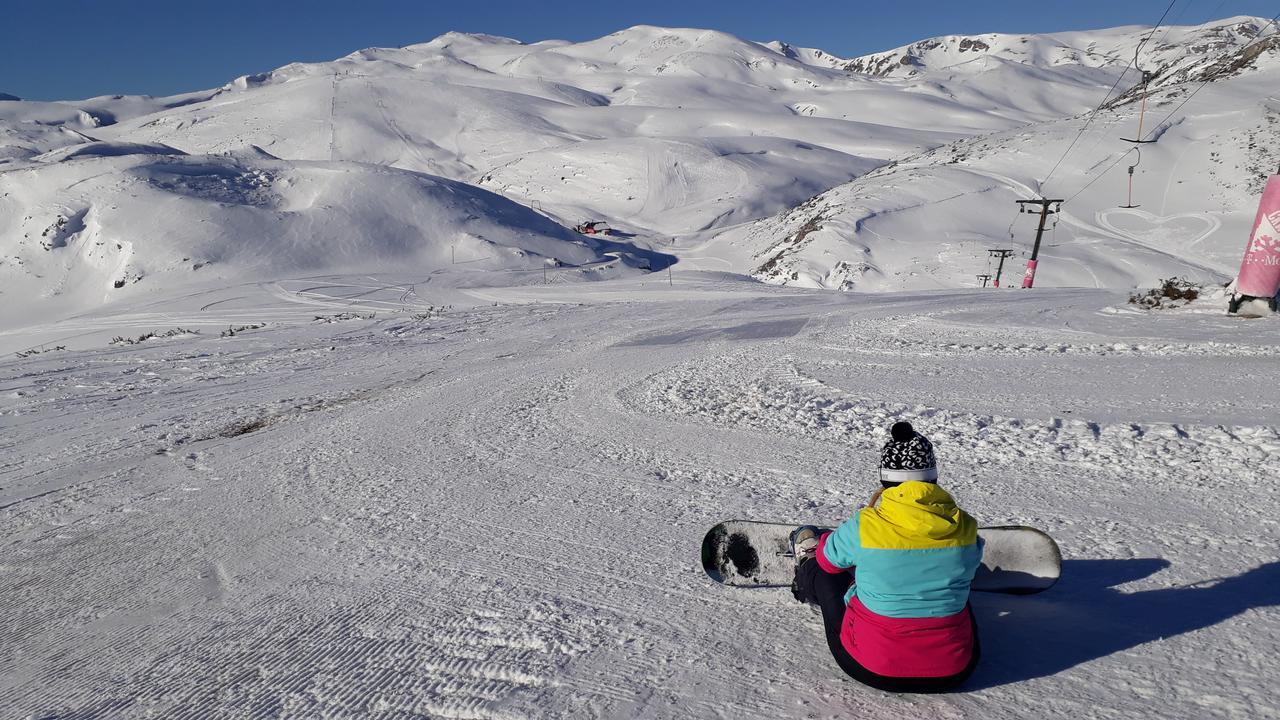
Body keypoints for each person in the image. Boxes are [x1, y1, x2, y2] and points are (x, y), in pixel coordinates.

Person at [790, 421, 982, 692]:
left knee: (822, 572)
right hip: (955, 670)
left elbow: (827, 563)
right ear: (933, 477)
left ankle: (803, 570)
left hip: (874, 667)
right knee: (960, 596)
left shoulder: (867, 525)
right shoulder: (966, 527)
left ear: (885, 480)